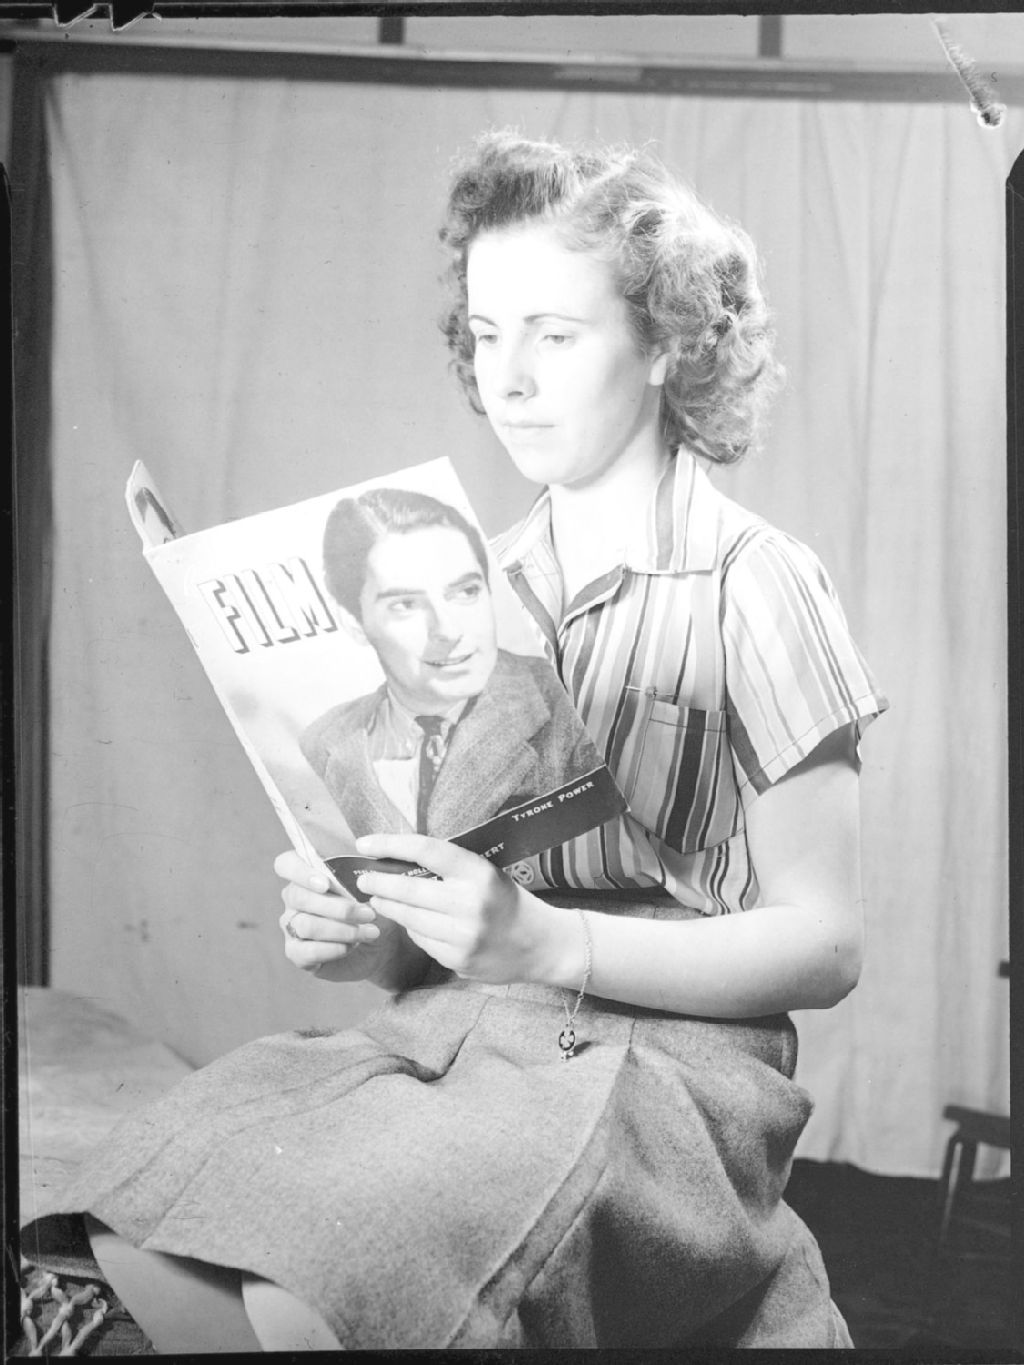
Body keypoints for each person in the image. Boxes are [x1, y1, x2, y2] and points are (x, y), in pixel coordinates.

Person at [21, 131, 888, 1351]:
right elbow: (462, 914)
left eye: (554, 334)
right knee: (151, 1206)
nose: (507, 379)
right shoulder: (478, 585)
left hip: (671, 1069)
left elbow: (828, 942)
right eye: (485, 336)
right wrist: (372, 936)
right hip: (473, 1034)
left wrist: (551, 939)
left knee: (336, 1273)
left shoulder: (758, 582)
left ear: (664, 343)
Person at [299, 485, 607, 840]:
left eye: (465, 592)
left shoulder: (567, 704)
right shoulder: (324, 739)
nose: (448, 630)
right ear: (355, 623)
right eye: (405, 605)